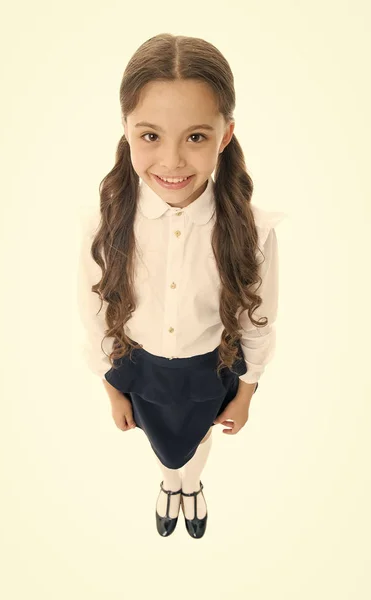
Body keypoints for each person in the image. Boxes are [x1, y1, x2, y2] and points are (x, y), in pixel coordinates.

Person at [77, 33, 287, 539]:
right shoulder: (103, 224)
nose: (171, 161)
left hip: (206, 368)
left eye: (195, 137)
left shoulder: (253, 231)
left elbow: (259, 319)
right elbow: (93, 312)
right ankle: (172, 482)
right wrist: (112, 386)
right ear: (126, 130)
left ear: (225, 134)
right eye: (151, 136)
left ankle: (189, 485)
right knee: (161, 441)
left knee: (195, 437)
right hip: (142, 367)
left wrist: (247, 392)